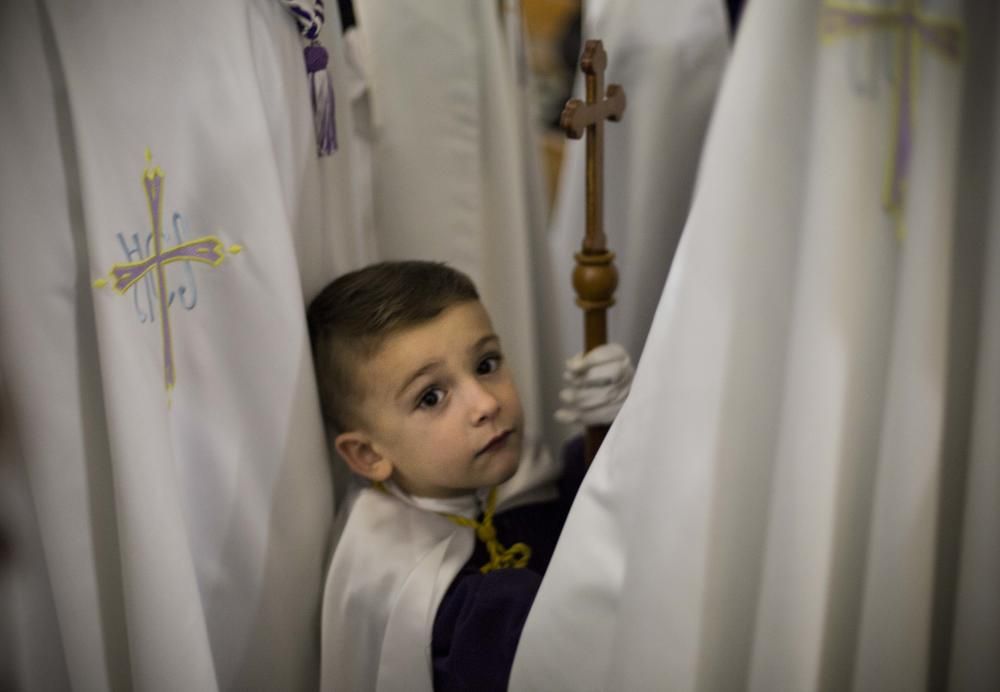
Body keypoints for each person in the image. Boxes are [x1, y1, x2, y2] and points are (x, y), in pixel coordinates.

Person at [308, 261, 631, 691]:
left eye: (485, 364)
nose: (485, 403)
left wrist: (620, 431)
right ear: (368, 455)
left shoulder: (522, 483)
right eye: (432, 397)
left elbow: (588, 511)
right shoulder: (400, 578)